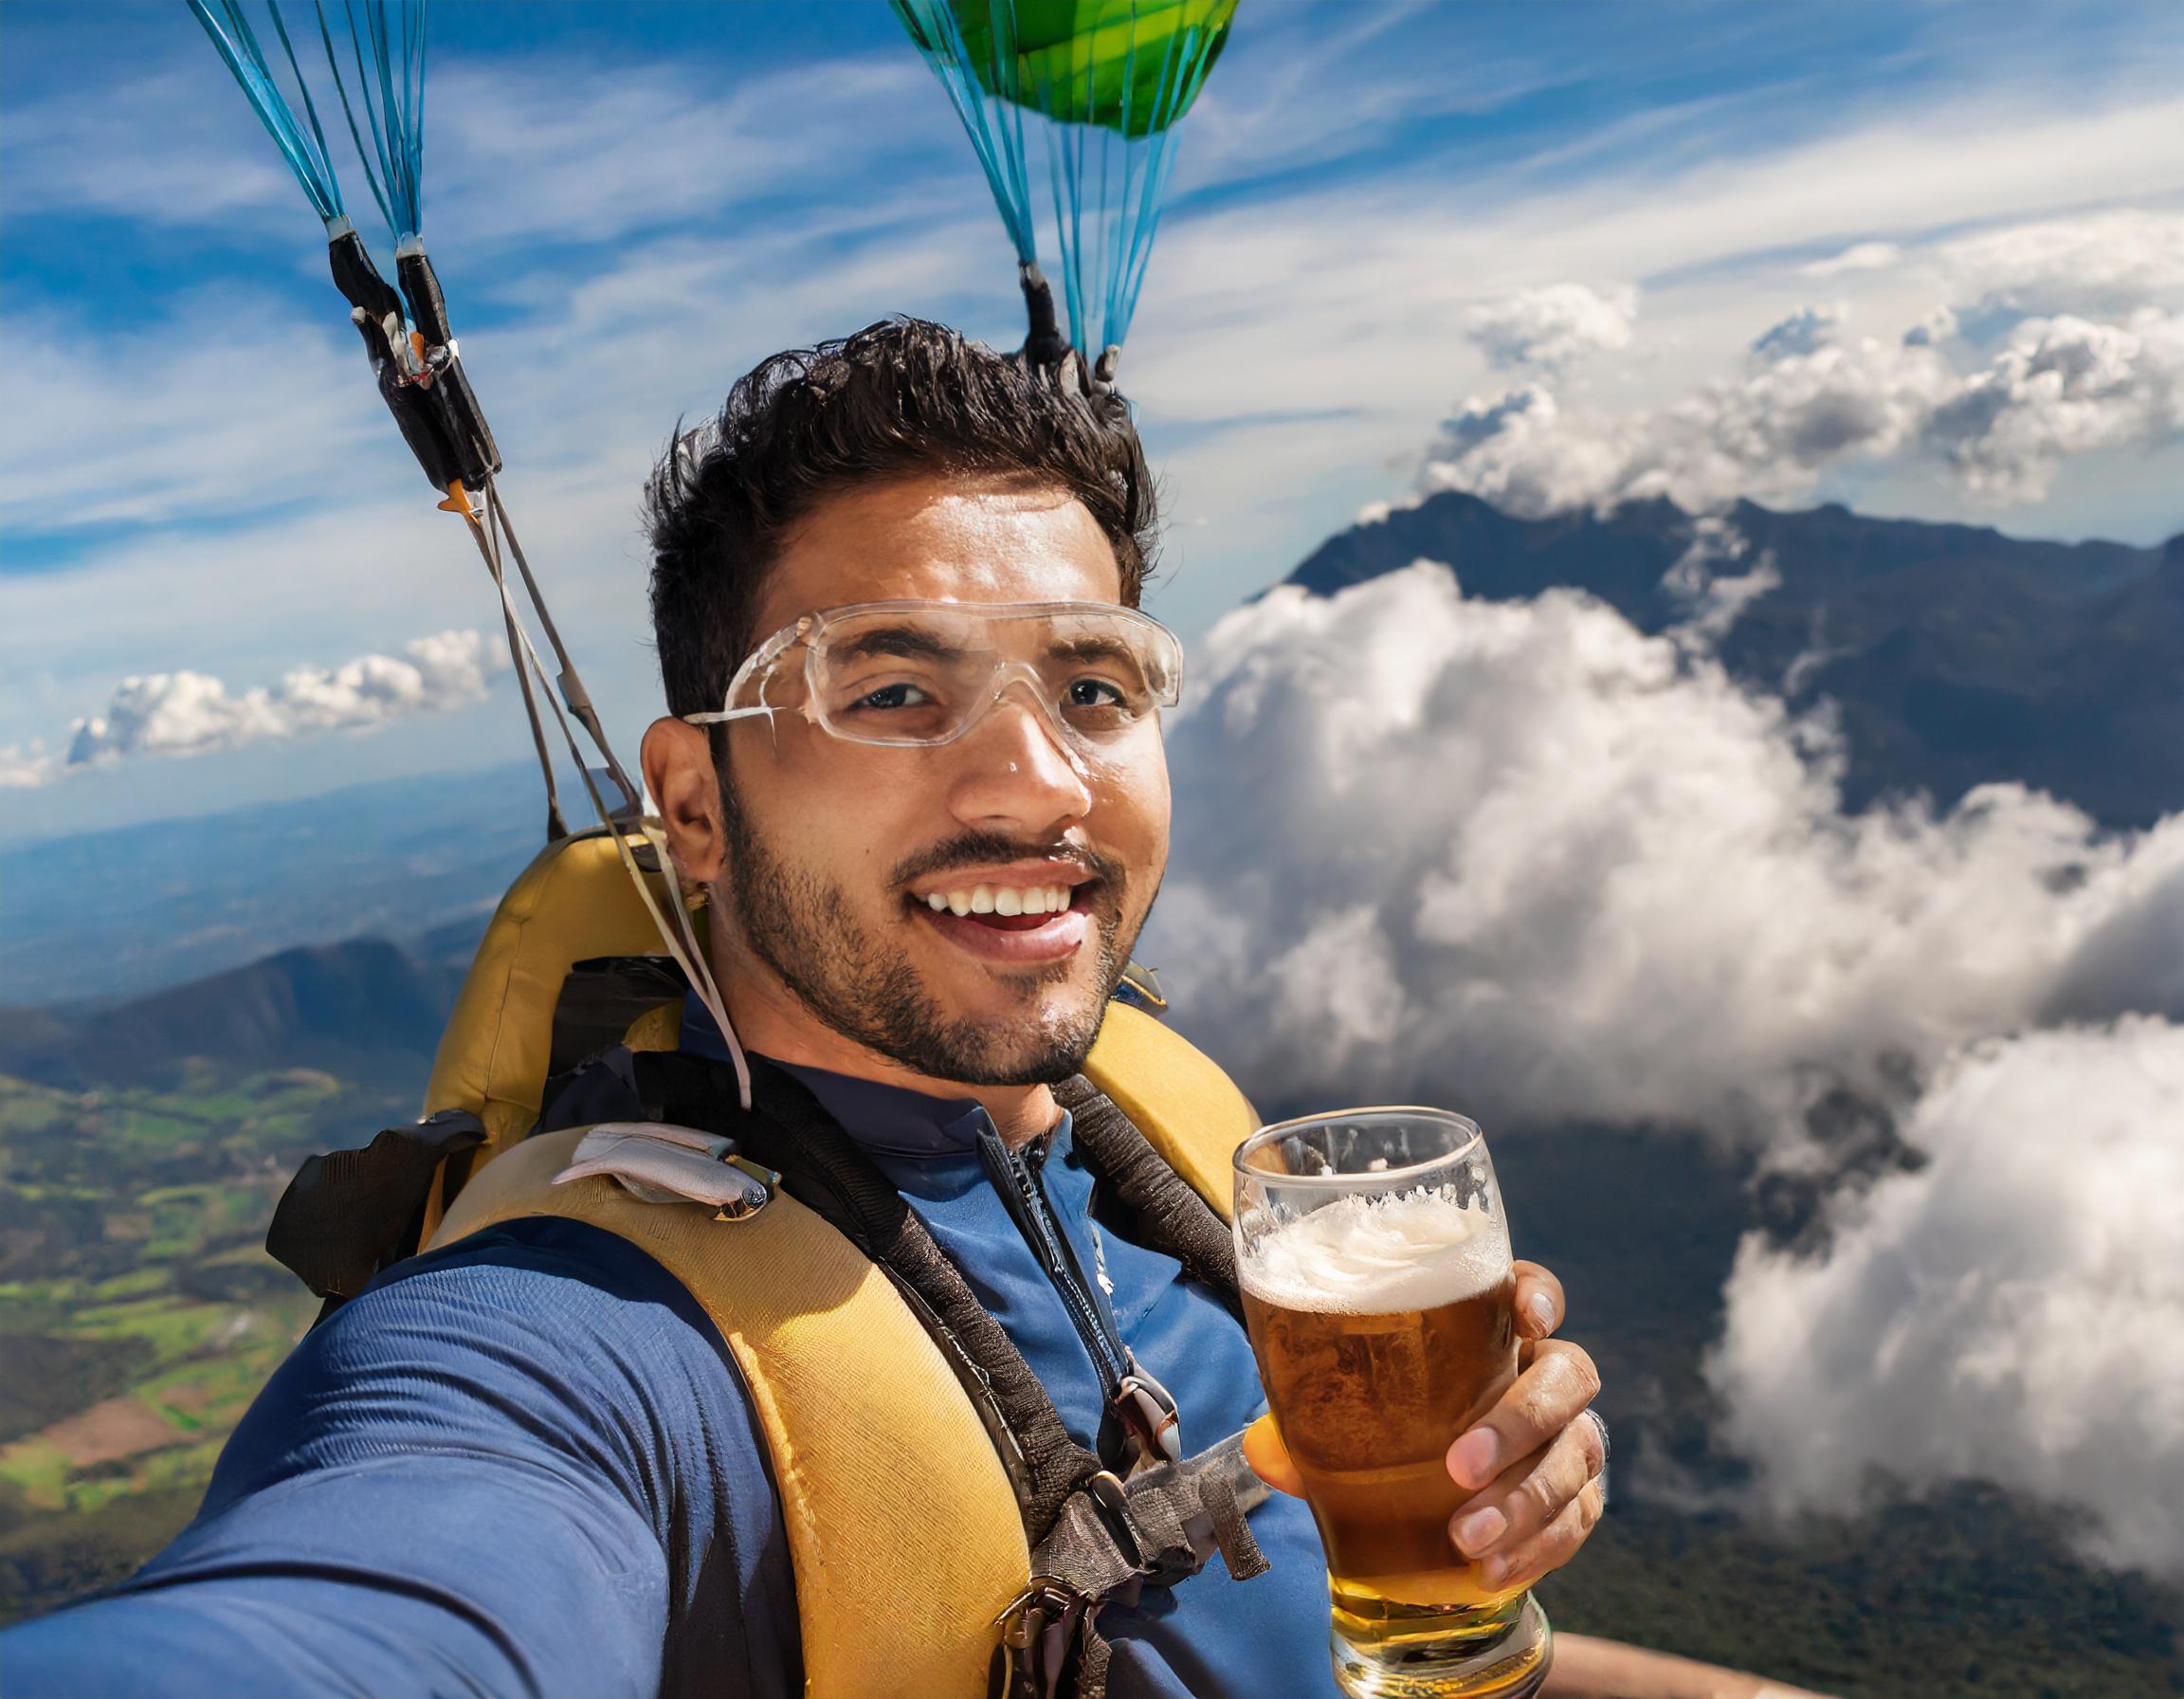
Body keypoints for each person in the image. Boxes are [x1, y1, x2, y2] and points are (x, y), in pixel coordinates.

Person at [1, 319, 1605, 1698]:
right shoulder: (593, 1347)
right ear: (693, 805)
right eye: (890, 690)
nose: (1037, 781)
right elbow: (384, 1589)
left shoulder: (1177, 1152)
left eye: (1094, 686)